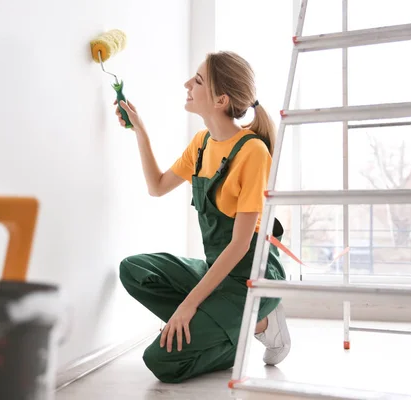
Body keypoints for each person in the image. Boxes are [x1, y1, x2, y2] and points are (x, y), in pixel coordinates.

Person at [115, 51, 291, 384]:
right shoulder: (201, 144)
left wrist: (189, 305)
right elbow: (157, 186)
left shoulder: (253, 151)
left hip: (252, 279)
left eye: (197, 80)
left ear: (221, 99)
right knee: (135, 271)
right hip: (217, 271)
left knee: (162, 362)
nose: (187, 84)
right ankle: (231, 326)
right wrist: (140, 131)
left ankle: (260, 322)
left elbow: (240, 244)